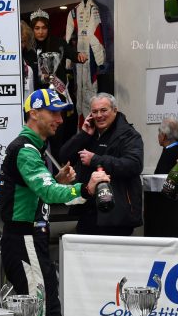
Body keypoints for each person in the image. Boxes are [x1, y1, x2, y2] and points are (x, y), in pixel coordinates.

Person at [0, 88, 96, 316]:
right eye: (53, 112)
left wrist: (59, 181)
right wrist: (84, 189)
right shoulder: (26, 150)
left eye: (60, 113)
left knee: (48, 315)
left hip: (30, 240)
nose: (60, 119)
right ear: (34, 113)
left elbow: (41, 192)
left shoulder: (32, 149)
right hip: (24, 240)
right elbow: (48, 193)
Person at [60, 92, 144, 236]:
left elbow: (134, 165)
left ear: (115, 110)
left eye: (103, 110)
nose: (99, 115)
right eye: (94, 111)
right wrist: (83, 135)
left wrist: (95, 159)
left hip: (117, 216)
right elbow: (64, 156)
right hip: (87, 211)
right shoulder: (89, 134)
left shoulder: (129, 135)